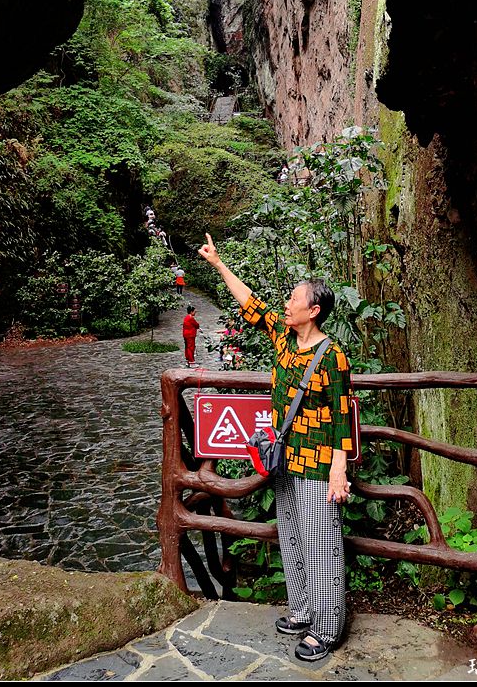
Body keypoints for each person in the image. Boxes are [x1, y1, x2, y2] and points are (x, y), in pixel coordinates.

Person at [198, 231, 352, 663]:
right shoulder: (284, 340)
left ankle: (327, 628)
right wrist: (218, 263)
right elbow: (251, 303)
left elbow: (342, 416)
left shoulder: (331, 356)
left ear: (314, 310)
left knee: (321, 543)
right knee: (293, 537)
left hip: (319, 464)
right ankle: (303, 610)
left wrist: (338, 471)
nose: (285, 304)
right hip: (285, 461)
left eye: (293, 300)